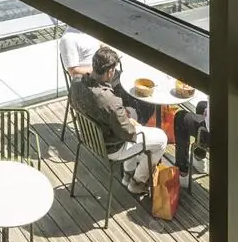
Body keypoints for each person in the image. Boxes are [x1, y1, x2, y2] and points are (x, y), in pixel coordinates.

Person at [67, 45, 167, 192]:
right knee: (161, 139)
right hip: (111, 148)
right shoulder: (111, 102)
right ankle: (137, 182)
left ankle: (128, 173)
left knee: (131, 113)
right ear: (109, 72)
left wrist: (125, 117)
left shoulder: (75, 84)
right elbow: (127, 134)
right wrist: (134, 124)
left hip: (91, 138)